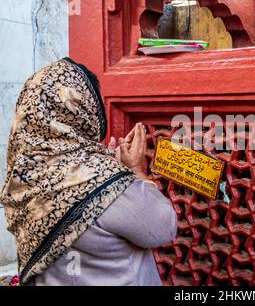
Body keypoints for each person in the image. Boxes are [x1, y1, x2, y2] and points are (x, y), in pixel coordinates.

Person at [0, 57, 177, 286]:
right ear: (83, 109)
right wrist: (133, 172)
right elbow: (161, 227)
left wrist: (106, 170)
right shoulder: (99, 179)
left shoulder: (23, 176)